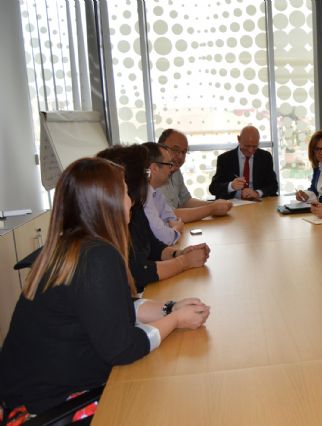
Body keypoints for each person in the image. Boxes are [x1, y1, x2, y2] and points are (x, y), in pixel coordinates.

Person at [0, 158, 210, 422]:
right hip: (47, 407)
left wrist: (170, 308)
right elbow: (123, 348)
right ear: (106, 202)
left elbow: (115, 308)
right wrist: (176, 320)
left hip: (29, 393)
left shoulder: (73, 245)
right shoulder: (97, 256)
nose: (131, 201)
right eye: (124, 193)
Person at [97, 145, 210, 292]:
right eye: (144, 173)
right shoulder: (106, 231)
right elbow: (139, 271)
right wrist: (184, 262)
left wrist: (178, 253)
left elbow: (154, 245)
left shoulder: (136, 208)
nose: (147, 179)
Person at [157, 129, 233, 222]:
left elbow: (186, 201)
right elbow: (171, 215)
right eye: (175, 150)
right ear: (160, 148)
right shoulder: (154, 174)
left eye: (184, 152)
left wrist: (216, 204)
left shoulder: (175, 170)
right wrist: (212, 208)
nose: (180, 156)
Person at [208, 126, 279, 200]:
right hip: (234, 203)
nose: (250, 150)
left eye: (255, 146)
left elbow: (274, 186)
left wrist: (257, 193)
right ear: (239, 139)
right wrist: (231, 186)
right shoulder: (225, 159)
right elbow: (213, 188)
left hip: (258, 202)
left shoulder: (265, 157)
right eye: (247, 146)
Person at [142, 142, 183, 245]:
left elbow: (171, 218)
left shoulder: (156, 190)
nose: (172, 168)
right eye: (169, 164)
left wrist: (170, 228)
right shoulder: (144, 195)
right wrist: (176, 229)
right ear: (154, 168)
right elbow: (164, 238)